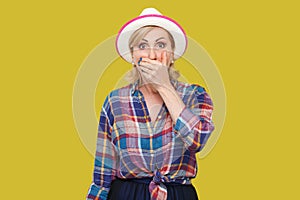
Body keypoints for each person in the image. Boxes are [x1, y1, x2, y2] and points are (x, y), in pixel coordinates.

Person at [87, 7, 215, 200]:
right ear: (132, 56)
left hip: (177, 194)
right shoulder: (115, 101)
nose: (152, 54)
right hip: (126, 194)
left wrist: (164, 86)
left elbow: (198, 139)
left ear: (172, 55)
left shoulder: (195, 95)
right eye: (142, 45)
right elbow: (103, 170)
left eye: (161, 45)